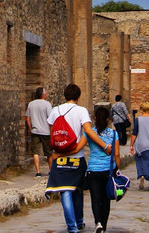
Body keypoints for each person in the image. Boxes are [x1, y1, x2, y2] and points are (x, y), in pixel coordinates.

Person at [46, 83, 108, 233]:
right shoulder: (81, 111)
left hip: (60, 157)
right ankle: (78, 222)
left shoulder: (55, 110)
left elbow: (52, 132)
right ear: (78, 96)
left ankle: (73, 226)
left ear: (65, 96)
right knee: (77, 189)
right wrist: (104, 145)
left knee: (65, 191)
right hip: (76, 156)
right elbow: (88, 130)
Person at [87, 105, 122, 233]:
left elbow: (79, 145)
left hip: (93, 170)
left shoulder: (90, 133)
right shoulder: (114, 134)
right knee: (106, 199)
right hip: (108, 170)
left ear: (95, 118)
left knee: (95, 198)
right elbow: (117, 154)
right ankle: (104, 227)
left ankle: (98, 223)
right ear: (108, 119)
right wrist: (117, 168)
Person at [129, 101, 149, 191]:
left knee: (141, 162)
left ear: (141, 110)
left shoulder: (138, 120)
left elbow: (134, 133)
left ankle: (142, 174)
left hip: (140, 145)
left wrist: (131, 145)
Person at [25, 86, 52, 177]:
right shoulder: (47, 104)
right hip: (46, 132)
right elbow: (50, 118)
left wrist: (30, 128)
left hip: (35, 131)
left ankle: (38, 171)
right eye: (46, 93)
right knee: (49, 152)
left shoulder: (31, 104)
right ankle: (50, 170)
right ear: (43, 94)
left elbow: (28, 118)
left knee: (35, 152)